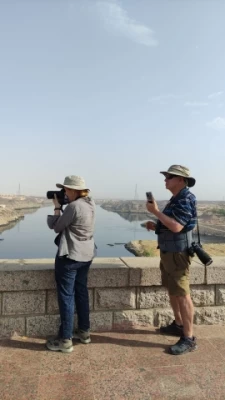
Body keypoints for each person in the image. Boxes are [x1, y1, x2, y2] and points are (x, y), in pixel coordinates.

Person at [145, 165, 197, 355]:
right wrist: (156, 225)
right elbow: (171, 224)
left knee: (182, 294)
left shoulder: (185, 199)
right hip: (169, 252)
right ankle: (178, 324)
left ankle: (189, 338)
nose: (165, 180)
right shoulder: (176, 198)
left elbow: (176, 227)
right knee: (173, 290)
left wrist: (156, 212)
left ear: (181, 180)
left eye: (169, 177)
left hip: (178, 254)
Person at [46, 175, 95, 353]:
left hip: (70, 256)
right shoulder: (90, 203)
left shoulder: (73, 207)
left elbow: (56, 226)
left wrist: (58, 207)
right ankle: (84, 332)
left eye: (65, 189)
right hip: (86, 255)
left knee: (66, 296)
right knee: (81, 292)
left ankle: (65, 340)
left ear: (73, 190)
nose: (64, 192)